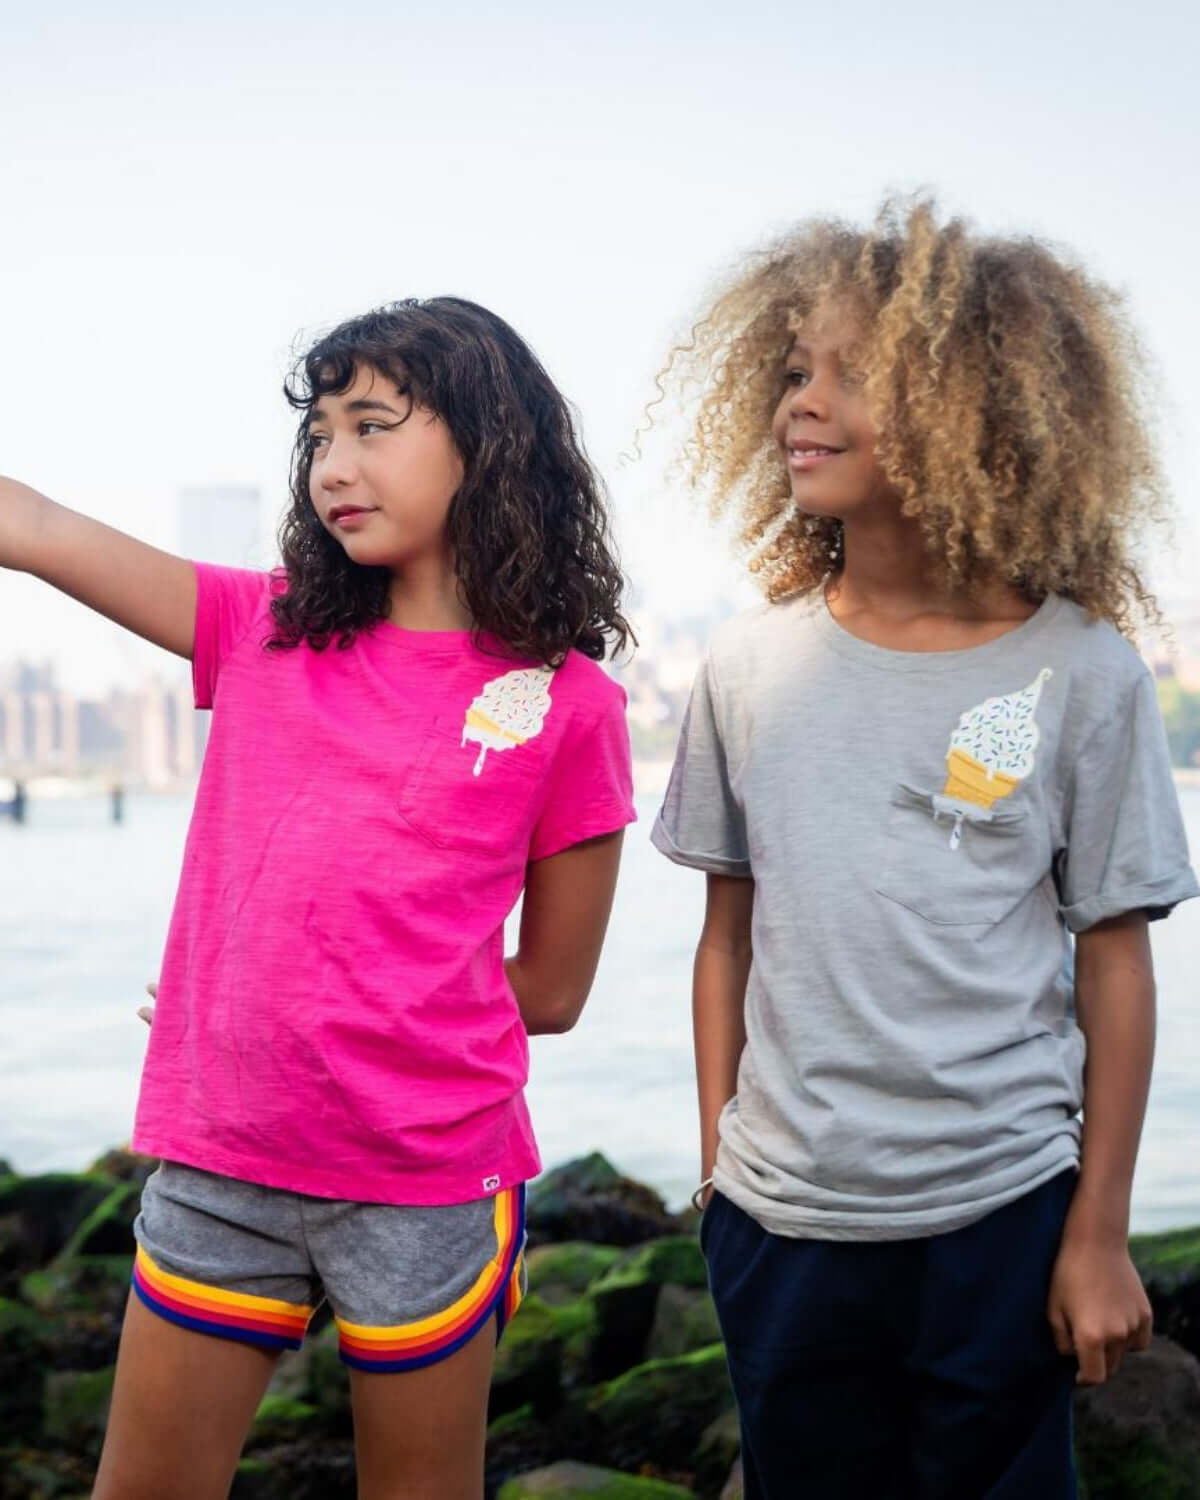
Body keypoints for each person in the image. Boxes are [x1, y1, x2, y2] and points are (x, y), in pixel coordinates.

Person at [0, 297, 635, 1500]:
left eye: (373, 427)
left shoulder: (572, 709)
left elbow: (550, 991)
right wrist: (248, 995)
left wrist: (339, 997)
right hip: (223, 1164)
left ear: (490, 447)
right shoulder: (259, 629)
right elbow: (32, 524)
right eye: (320, 437)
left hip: (428, 1181)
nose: (334, 466)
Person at [651, 199, 1199, 1499]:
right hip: (784, 1231)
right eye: (794, 370)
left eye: (857, 374)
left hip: (1004, 1217)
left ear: (981, 406)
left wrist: (1100, 1234)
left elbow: (1113, 965)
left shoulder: (1085, 673)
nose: (804, 400)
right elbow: (725, 937)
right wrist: (722, 1181)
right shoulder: (745, 666)